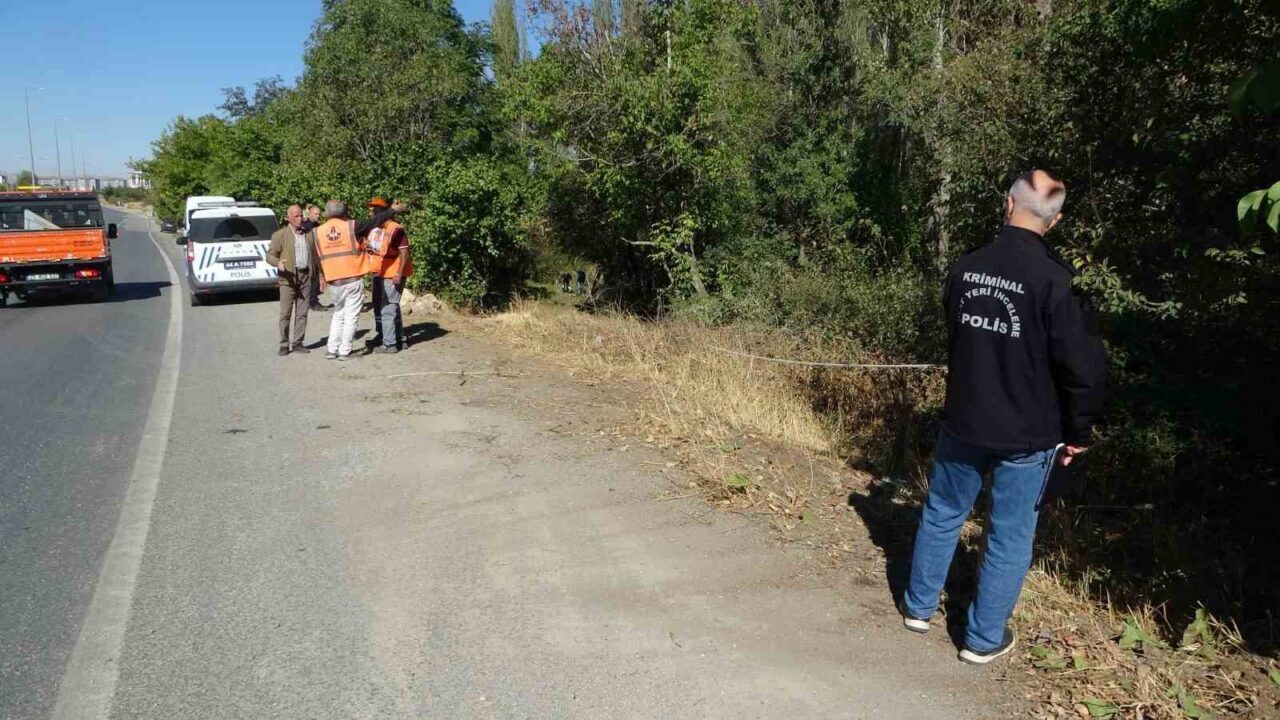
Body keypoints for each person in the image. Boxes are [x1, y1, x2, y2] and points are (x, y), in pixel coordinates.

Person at [900, 169, 1106, 665]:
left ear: (1007, 204)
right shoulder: (1058, 282)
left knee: (943, 512)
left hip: (964, 419)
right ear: (1053, 223)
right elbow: (1084, 368)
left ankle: (918, 607)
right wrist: (1078, 432)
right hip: (1027, 435)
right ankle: (982, 638)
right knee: (1009, 534)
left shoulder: (966, 267)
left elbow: (957, 333)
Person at [313, 199, 406, 360]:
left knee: (338, 314)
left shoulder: (318, 231)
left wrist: (321, 276)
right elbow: (373, 222)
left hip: (334, 280)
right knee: (351, 316)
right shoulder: (351, 226)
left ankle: (332, 349)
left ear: (327, 213)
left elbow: (317, 257)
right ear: (343, 212)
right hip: (352, 278)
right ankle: (345, 351)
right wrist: (392, 210)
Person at [265, 205, 319, 356]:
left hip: (305, 276)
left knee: (302, 313)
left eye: (301, 215)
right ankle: (284, 344)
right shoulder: (279, 235)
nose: (300, 218)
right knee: (285, 313)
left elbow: (315, 257)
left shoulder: (308, 234)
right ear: (287, 218)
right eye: (295, 216)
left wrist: (320, 275)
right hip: (288, 278)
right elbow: (269, 256)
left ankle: (298, 343)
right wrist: (278, 263)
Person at [363, 197, 412, 353]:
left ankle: (389, 344)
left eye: (374, 211)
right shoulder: (380, 229)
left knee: (388, 308)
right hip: (383, 272)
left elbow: (404, 252)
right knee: (391, 307)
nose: (371, 214)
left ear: (383, 212)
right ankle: (399, 339)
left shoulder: (395, 229)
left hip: (393, 273)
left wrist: (398, 273)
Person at [301, 204, 330, 311]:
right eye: (315, 213)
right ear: (310, 214)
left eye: (319, 213)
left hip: (317, 254)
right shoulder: (306, 226)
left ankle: (311, 301)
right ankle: (313, 302)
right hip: (310, 256)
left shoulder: (317, 225)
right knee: (314, 280)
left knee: (316, 280)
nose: (318, 215)